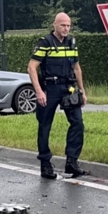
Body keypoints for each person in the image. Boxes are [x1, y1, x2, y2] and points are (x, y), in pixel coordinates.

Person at [28, 13, 89, 179]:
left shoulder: (71, 43)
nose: (66, 29)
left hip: (68, 88)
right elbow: (32, 67)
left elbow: (77, 68)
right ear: (55, 25)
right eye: (63, 25)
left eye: (68, 25)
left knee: (78, 123)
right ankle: (45, 164)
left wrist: (82, 90)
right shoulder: (45, 42)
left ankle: (72, 162)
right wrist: (39, 91)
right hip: (50, 88)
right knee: (45, 125)